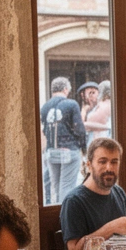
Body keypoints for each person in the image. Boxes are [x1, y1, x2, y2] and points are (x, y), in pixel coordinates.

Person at [60, 138, 126, 250]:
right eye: (102, 162)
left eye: (114, 162)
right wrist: (111, 228)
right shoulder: (74, 201)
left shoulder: (118, 192)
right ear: (89, 165)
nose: (109, 168)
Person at [40, 76, 87, 204]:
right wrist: (84, 149)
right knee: (67, 185)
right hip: (69, 150)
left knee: (56, 186)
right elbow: (79, 129)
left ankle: (57, 212)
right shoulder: (71, 104)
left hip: (51, 151)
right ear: (66, 89)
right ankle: (65, 216)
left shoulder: (44, 107)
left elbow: (44, 130)